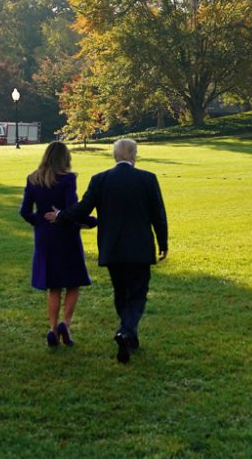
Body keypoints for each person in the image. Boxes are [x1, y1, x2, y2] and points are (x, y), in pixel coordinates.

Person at [46, 138, 168, 364]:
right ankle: (126, 331)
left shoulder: (100, 180)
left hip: (112, 248)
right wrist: (163, 243)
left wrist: (62, 216)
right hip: (140, 248)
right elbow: (158, 215)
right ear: (134, 155)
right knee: (138, 294)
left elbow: (83, 209)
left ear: (115, 156)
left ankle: (129, 335)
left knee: (121, 293)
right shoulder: (147, 179)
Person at [20, 141, 95, 348]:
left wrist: (41, 222)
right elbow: (72, 208)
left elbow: (25, 212)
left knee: (54, 285)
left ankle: (53, 329)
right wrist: (92, 221)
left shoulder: (33, 179)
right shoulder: (68, 179)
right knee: (73, 281)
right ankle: (66, 323)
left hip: (45, 237)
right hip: (66, 235)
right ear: (65, 158)